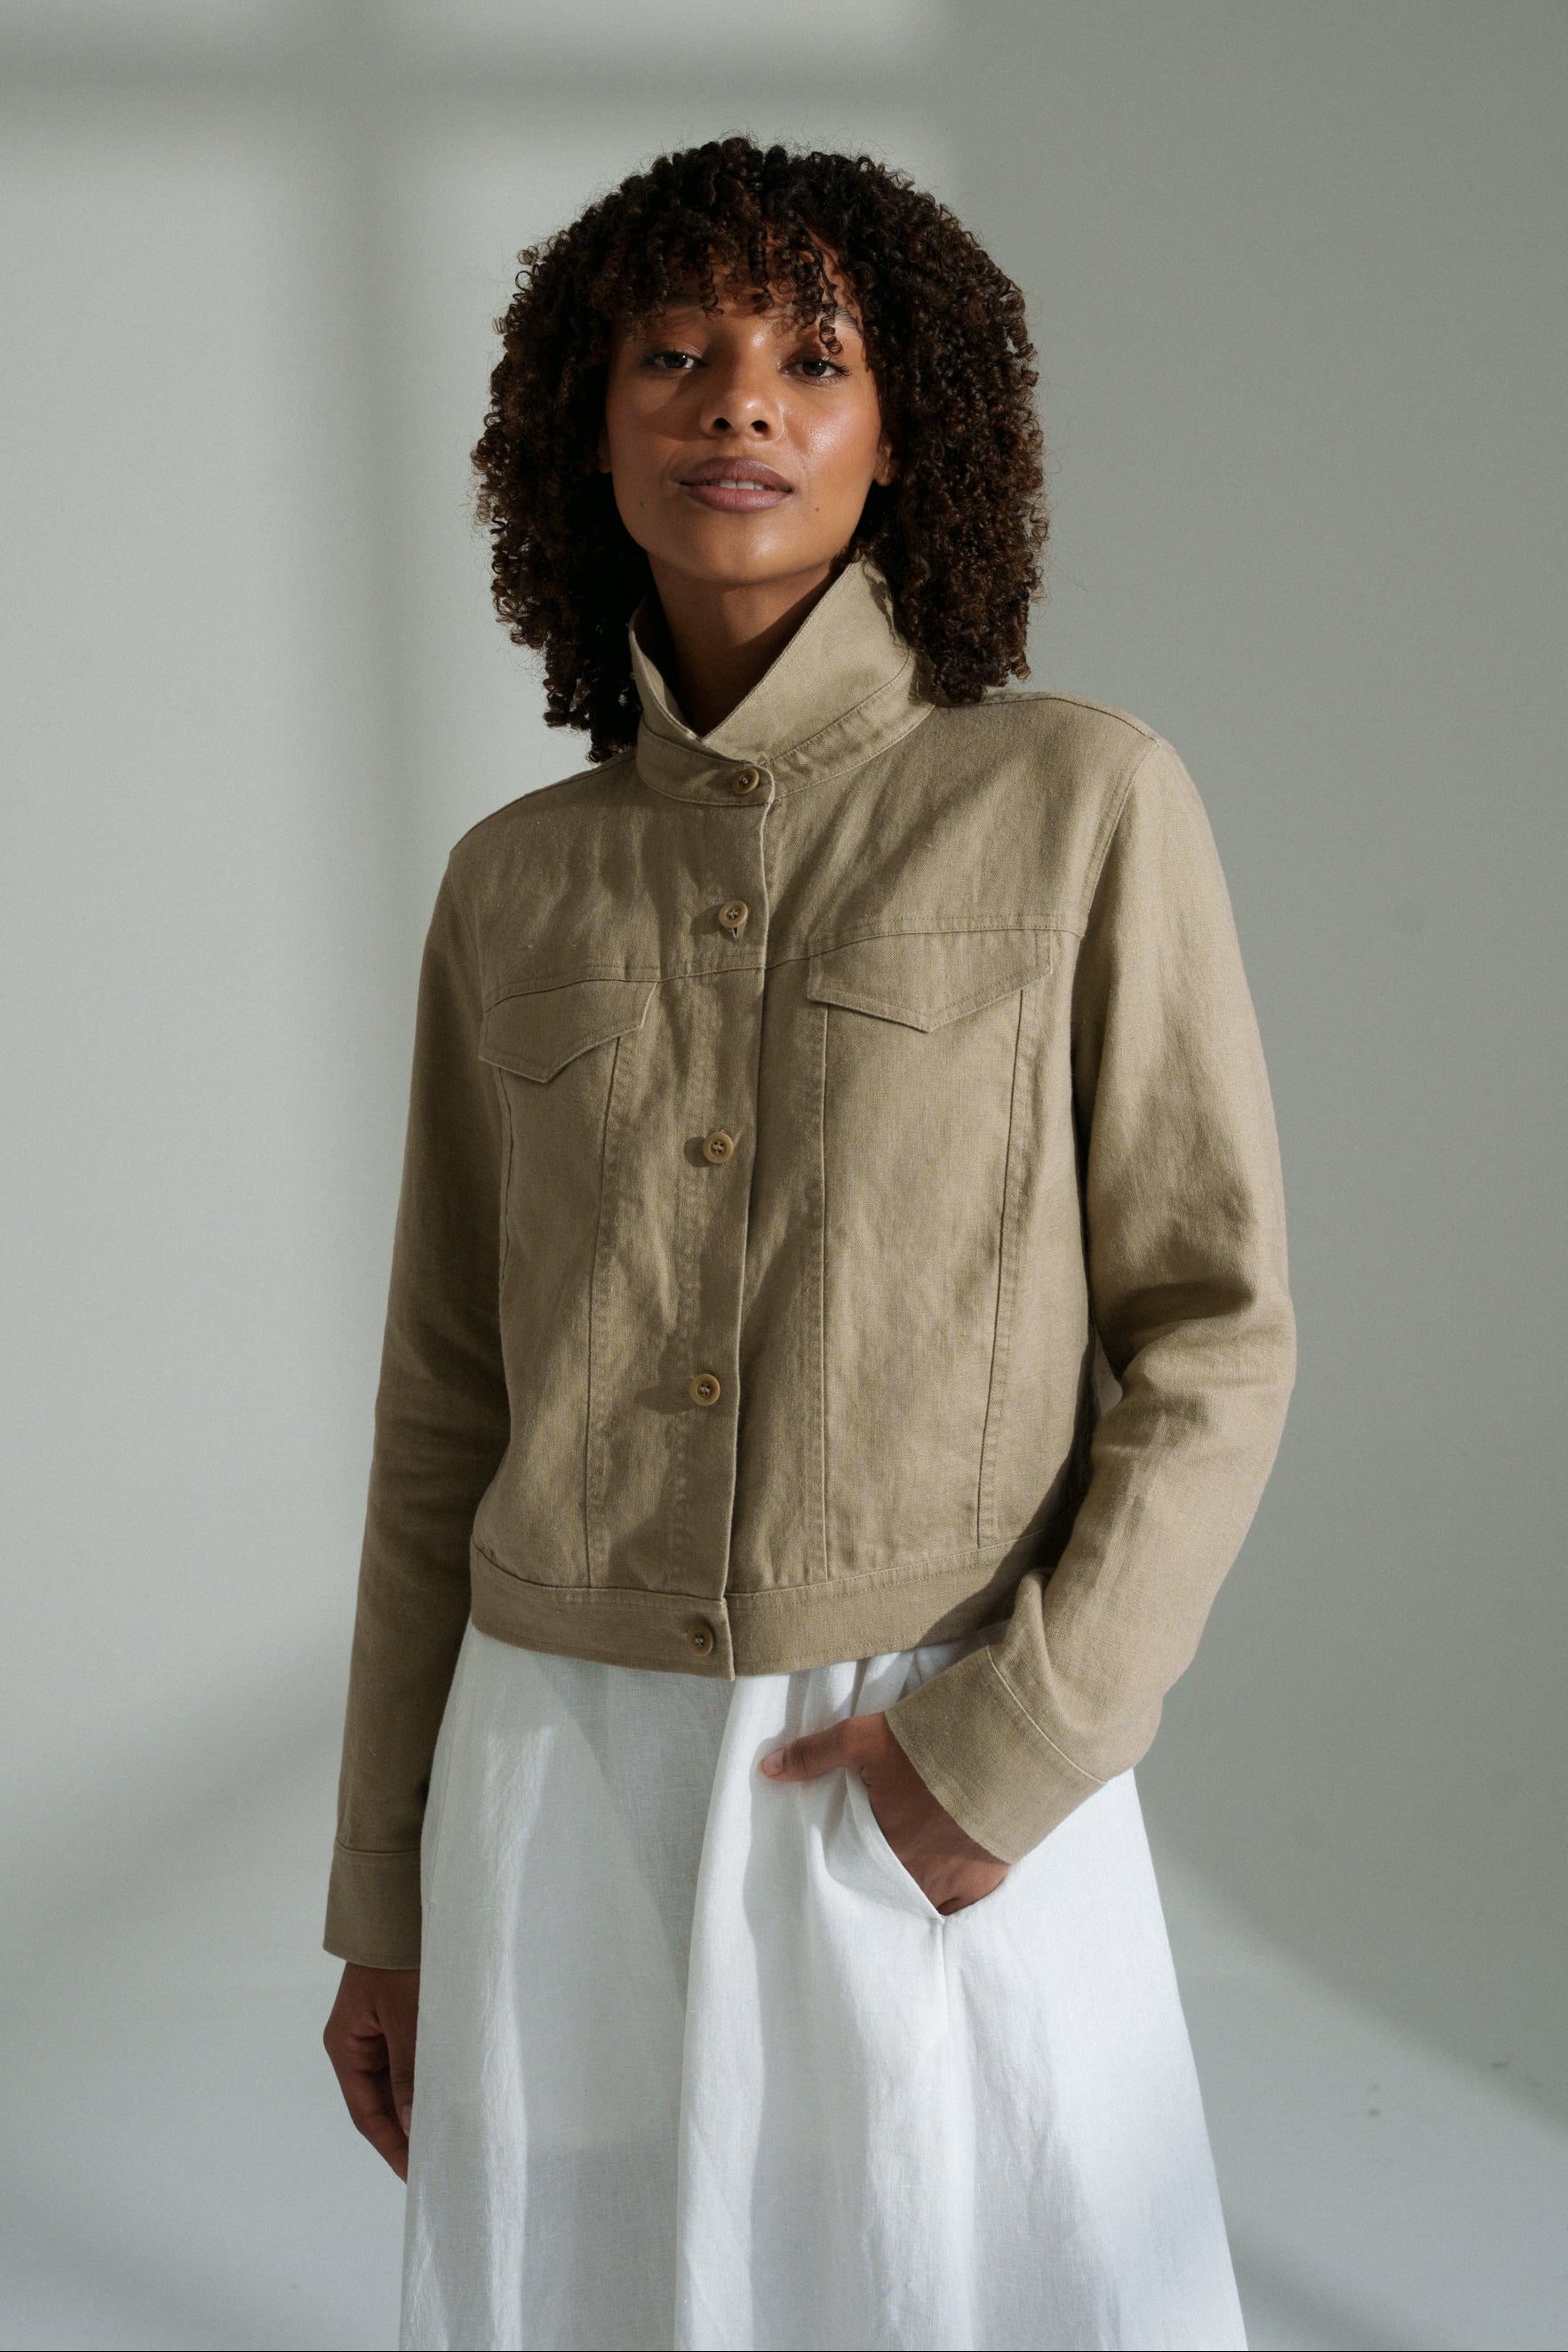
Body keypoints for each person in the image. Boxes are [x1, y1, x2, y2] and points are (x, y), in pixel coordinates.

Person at [321, 136, 1295, 2352]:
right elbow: (442, 1403)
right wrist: (385, 1888)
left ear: (902, 429)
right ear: (584, 435)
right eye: (671, 355)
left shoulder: (1078, 800)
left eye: (809, 357)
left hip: (928, 1741)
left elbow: (1213, 1333)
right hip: (557, 1779)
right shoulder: (513, 884)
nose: (737, 401)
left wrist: (1019, 1741)